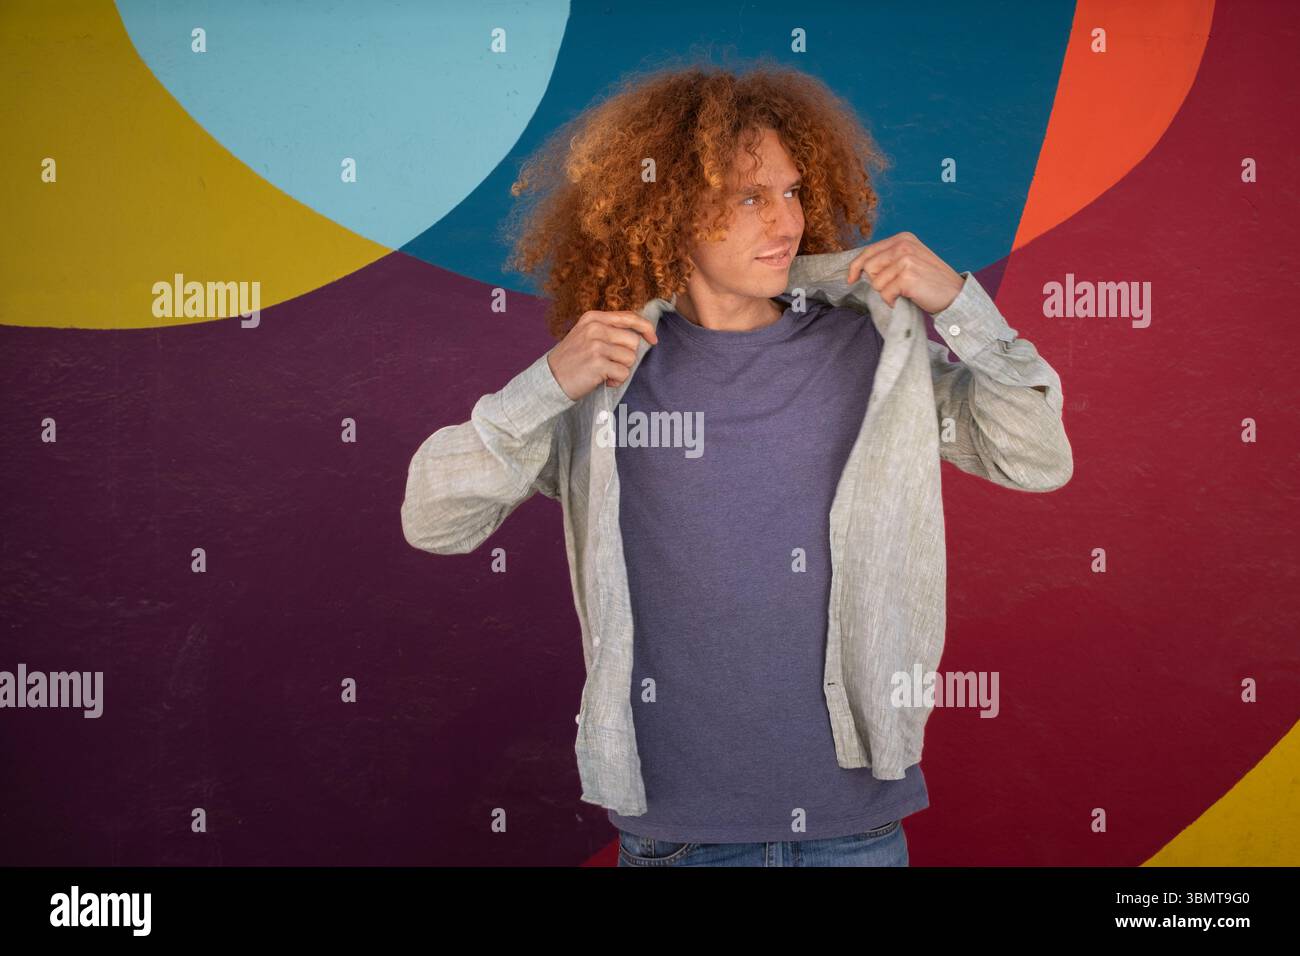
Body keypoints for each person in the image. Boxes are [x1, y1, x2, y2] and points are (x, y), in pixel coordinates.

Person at [401, 60, 1072, 867]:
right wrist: (544, 384)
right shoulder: (605, 374)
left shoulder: (872, 346)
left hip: (852, 823)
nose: (784, 222)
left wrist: (961, 305)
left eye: (792, 192)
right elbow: (432, 520)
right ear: (669, 207)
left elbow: (1036, 459)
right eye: (750, 197)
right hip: (679, 831)